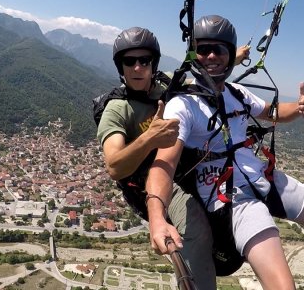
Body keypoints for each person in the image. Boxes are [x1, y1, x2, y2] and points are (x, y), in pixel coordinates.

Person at [145, 15, 304, 289]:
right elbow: (164, 163)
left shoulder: (237, 93)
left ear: (230, 54)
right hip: (230, 196)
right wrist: (156, 217)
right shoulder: (184, 106)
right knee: (283, 286)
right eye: (203, 49)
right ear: (194, 54)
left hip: (259, 176)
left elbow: (272, 112)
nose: (211, 55)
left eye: (219, 50)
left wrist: (298, 108)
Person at [96, 26, 251, 290]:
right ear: (120, 66)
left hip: (185, 164)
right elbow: (114, 166)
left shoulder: (167, 84)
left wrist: (233, 57)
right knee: (196, 229)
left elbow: (200, 75)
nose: (136, 68)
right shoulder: (117, 109)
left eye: (143, 60)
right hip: (151, 180)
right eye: (129, 61)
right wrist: (149, 139)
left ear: (153, 63)